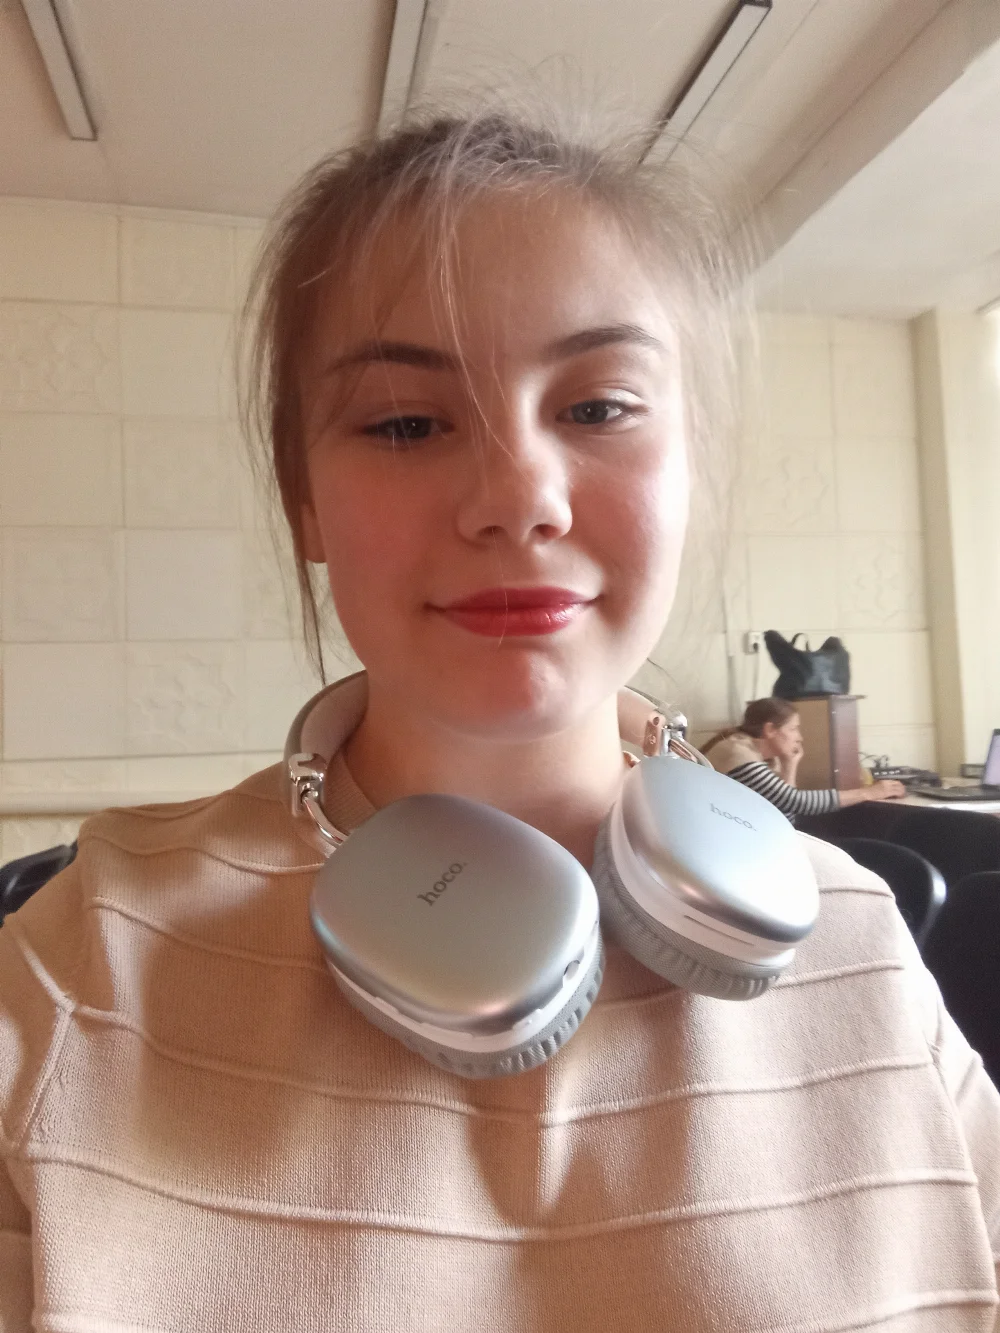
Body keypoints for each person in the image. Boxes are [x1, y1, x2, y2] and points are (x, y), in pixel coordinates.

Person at [1, 109, 998, 1332]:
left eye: (599, 408)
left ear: (688, 469)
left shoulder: (853, 942)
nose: (519, 496)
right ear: (303, 499)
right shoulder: (78, 966)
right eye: (406, 421)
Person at [703, 697, 906, 822]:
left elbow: (783, 810)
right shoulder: (738, 753)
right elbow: (796, 802)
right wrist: (870, 792)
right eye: (793, 729)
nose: (799, 737)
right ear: (770, 729)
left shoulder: (763, 757)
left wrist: (789, 765)